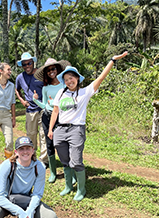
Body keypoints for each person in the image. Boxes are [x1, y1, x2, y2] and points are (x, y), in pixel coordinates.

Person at [48, 52, 128, 201]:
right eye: (66, 79)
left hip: (76, 129)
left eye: (71, 78)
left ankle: (81, 189)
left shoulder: (85, 92)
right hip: (60, 129)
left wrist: (112, 60)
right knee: (64, 160)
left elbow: (101, 78)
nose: (69, 81)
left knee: (76, 160)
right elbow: (55, 111)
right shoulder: (61, 93)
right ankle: (68, 186)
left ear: (77, 78)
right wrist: (51, 129)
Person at [33, 58, 70, 183]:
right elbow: (44, 105)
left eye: (53, 69)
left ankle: (70, 173)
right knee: (49, 144)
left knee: (64, 144)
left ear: (58, 70)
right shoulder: (45, 88)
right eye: (48, 70)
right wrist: (35, 100)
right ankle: (53, 173)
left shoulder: (64, 85)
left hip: (61, 117)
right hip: (47, 117)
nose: (51, 72)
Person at [15, 52, 48, 166]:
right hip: (30, 111)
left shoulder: (41, 74)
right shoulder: (20, 77)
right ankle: (32, 157)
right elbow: (17, 90)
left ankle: (44, 160)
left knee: (44, 135)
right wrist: (22, 101)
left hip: (43, 109)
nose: (27, 66)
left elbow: (49, 87)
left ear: (33, 63)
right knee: (31, 135)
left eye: (29, 63)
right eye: (24, 64)